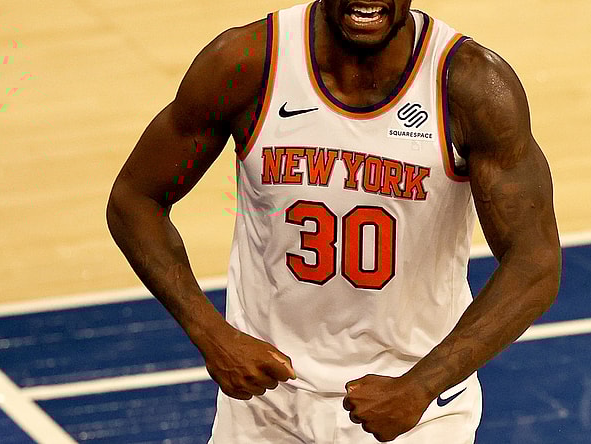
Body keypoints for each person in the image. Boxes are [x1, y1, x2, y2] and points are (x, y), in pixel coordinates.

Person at [107, 0, 561, 442]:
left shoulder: (470, 86)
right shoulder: (247, 64)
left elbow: (535, 263)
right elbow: (135, 200)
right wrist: (211, 334)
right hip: (266, 407)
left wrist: (423, 384)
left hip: (414, 413)